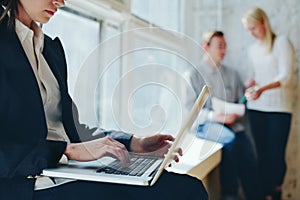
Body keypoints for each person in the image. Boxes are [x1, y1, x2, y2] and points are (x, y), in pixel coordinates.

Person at [0, 0, 209, 199]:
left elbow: (72, 129)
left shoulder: (50, 50)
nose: (61, 2)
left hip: (72, 174)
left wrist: (133, 143)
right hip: (31, 186)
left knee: (187, 188)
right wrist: (67, 151)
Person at [184, 30, 259, 200]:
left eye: (225, 46)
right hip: (206, 125)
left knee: (247, 151)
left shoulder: (232, 74)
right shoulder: (193, 74)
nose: (223, 50)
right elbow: (190, 111)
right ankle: (229, 195)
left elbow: (240, 103)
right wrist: (214, 117)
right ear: (206, 47)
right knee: (230, 141)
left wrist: (244, 98)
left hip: (233, 124)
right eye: (219, 46)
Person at [242, 7, 295, 200]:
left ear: (263, 23)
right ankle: (266, 195)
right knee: (262, 156)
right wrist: (252, 83)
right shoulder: (252, 49)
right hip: (257, 108)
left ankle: (276, 193)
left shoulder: (281, 42)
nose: (251, 33)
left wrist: (262, 89)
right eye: (248, 30)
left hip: (279, 109)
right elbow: (258, 76)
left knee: (275, 156)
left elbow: (286, 77)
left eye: (254, 28)